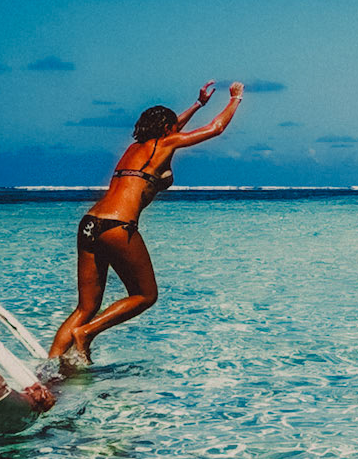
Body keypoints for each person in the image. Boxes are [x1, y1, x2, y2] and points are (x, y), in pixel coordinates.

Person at [49, 83, 244, 363]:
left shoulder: (134, 148)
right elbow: (215, 129)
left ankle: (48, 367)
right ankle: (87, 333)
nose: (176, 129)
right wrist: (235, 98)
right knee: (145, 295)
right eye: (171, 127)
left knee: (85, 306)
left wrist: (198, 104)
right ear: (166, 129)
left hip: (90, 223)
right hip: (118, 226)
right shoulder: (164, 144)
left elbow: (171, 126)